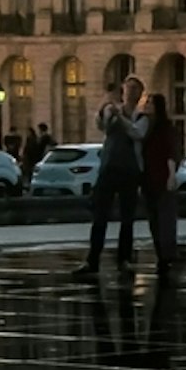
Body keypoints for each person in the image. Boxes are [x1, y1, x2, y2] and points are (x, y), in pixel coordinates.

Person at [77, 79, 144, 274]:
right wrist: (102, 108)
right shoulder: (114, 110)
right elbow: (102, 125)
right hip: (109, 167)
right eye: (127, 89)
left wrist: (119, 116)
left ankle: (124, 259)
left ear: (139, 94)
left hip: (130, 170)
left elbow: (136, 132)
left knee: (127, 218)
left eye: (134, 90)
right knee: (100, 216)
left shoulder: (140, 116)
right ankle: (92, 259)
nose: (129, 93)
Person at [140, 87, 185, 272]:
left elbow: (171, 153)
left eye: (150, 103)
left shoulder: (166, 129)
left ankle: (168, 254)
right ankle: (161, 253)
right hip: (148, 178)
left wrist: (171, 175)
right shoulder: (145, 127)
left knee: (165, 218)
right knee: (154, 219)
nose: (146, 106)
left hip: (162, 177)